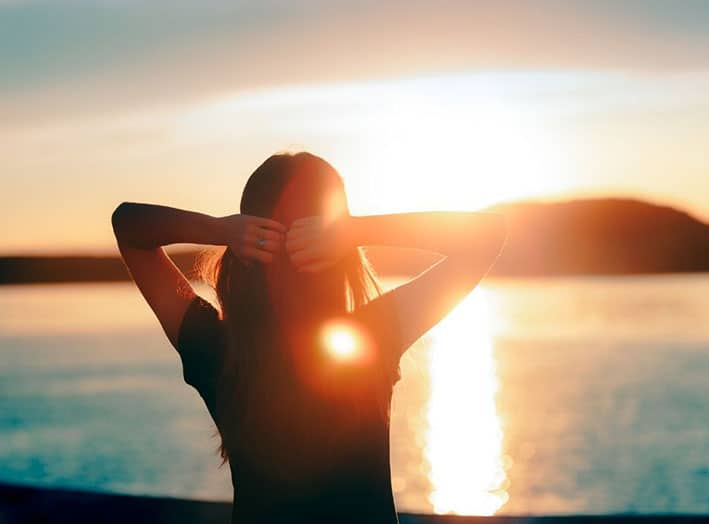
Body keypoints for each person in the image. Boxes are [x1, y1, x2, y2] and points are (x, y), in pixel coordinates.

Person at [111, 151, 506, 523]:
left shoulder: (215, 344)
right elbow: (485, 235)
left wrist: (219, 229)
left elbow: (129, 228)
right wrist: (354, 231)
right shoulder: (370, 336)